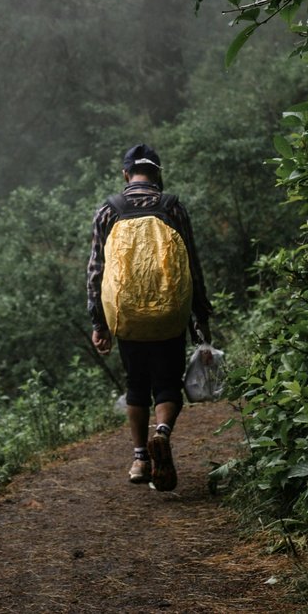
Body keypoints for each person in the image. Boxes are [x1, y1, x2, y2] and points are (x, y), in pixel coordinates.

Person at [87, 143, 213, 491]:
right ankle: (163, 432)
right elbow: (191, 264)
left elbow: (96, 270)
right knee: (168, 384)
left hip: (127, 313)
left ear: (126, 174)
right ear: (158, 174)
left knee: (136, 383)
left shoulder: (108, 209)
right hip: (170, 311)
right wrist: (200, 315)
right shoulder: (171, 206)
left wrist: (99, 322)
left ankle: (140, 459)